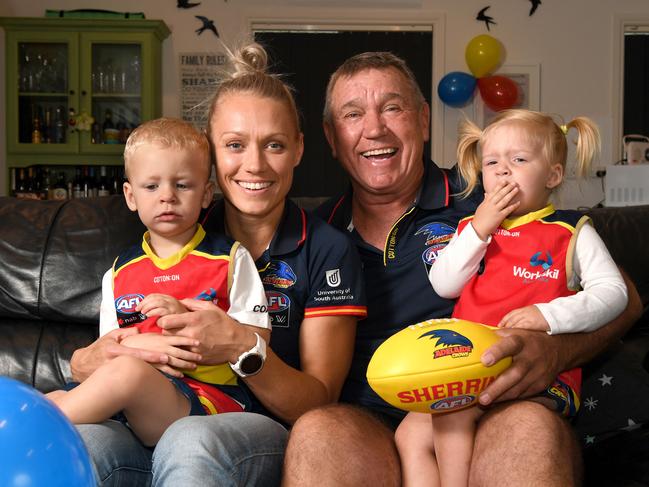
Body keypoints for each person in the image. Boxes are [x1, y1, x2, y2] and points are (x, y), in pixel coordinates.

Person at [282, 51, 642, 487]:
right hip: (367, 417)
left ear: (424, 120)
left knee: (529, 429)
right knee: (318, 433)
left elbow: (623, 295)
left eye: (392, 108)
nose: (374, 128)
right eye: (353, 114)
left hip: (493, 401)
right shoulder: (313, 234)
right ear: (332, 137)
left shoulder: (487, 193)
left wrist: (555, 351)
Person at [69, 42, 367, 486]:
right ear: (210, 154)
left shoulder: (326, 248)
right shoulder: (174, 225)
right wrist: (88, 360)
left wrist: (239, 347)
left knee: (190, 441)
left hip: (253, 424)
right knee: (83, 445)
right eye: (234, 145)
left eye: (275, 145)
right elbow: (105, 346)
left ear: (299, 149)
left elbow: (317, 404)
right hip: (147, 412)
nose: (255, 164)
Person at [396, 110, 628, 487]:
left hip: (534, 377)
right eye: (492, 162)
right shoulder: (472, 230)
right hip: (466, 368)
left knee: (451, 415)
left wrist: (548, 315)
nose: (503, 170)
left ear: (552, 175)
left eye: (518, 160)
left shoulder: (570, 231)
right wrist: (479, 231)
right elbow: (443, 283)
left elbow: (614, 293)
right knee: (409, 434)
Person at [48, 117, 271, 447]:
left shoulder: (230, 259)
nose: (167, 196)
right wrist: (140, 348)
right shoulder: (120, 271)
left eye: (182, 185)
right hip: (130, 405)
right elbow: (108, 347)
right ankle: (35, 414)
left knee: (126, 373)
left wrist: (181, 319)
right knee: (64, 389)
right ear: (130, 195)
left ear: (206, 193)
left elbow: (258, 339)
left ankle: (40, 421)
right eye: (151, 186)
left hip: (204, 402)